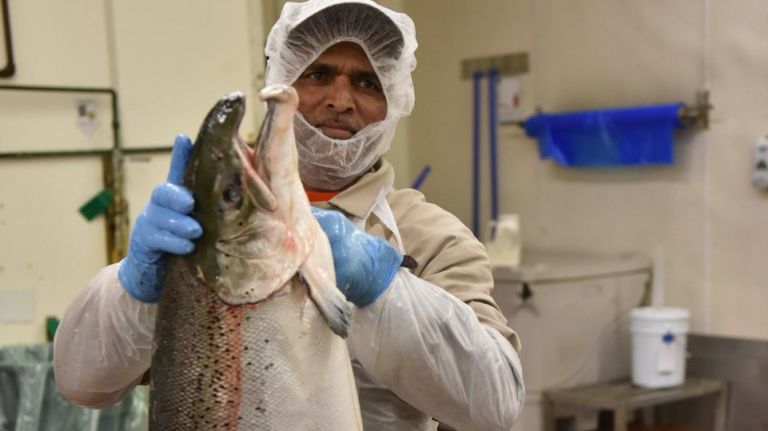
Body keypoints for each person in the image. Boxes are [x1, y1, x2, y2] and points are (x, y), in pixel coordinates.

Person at [53, 1, 525, 430]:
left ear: (395, 100)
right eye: (318, 73)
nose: (341, 99)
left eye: (367, 81)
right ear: (282, 82)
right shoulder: (200, 225)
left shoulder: (431, 239)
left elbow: (496, 403)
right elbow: (83, 384)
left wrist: (386, 291)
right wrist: (131, 290)